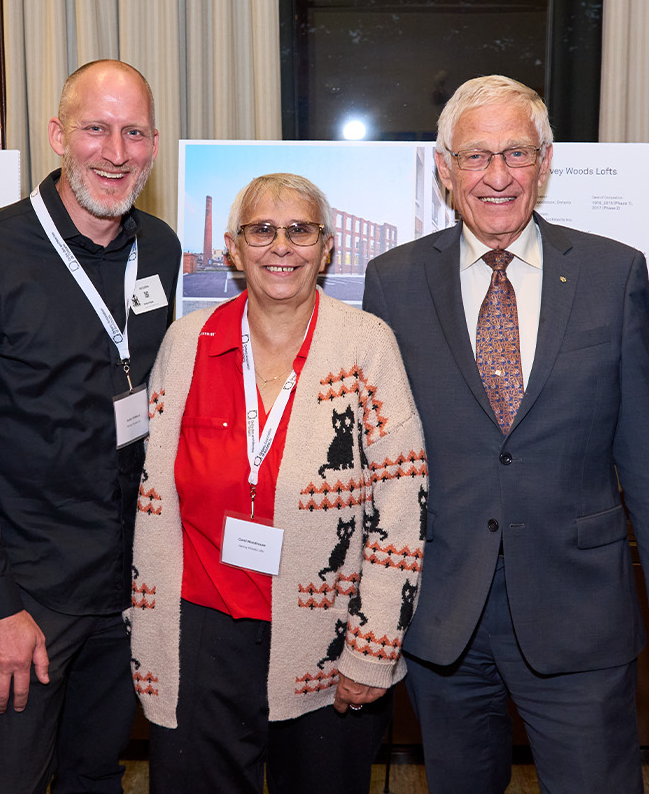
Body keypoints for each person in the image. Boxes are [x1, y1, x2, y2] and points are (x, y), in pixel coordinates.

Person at [362, 75, 649, 793]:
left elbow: (644, 456)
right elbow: (377, 459)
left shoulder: (612, 275)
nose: (497, 175)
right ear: (444, 170)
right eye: (476, 156)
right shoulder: (393, 281)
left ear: (546, 164)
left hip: (580, 615)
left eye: (516, 153)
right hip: (444, 616)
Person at [0, 59, 179, 793]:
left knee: (95, 774)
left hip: (128, 582)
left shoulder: (157, 248)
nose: (115, 152)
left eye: (133, 133)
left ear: (154, 144)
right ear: (57, 134)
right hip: (28, 590)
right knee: (9, 780)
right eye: (95, 129)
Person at [129, 173, 427, 794]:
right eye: (262, 230)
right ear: (234, 249)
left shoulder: (366, 346)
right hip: (199, 633)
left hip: (324, 632)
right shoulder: (187, 343)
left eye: (300, 231)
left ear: (327, 248)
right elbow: (151, 493)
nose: (281, 246)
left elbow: (402, 506)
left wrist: (373, 649)